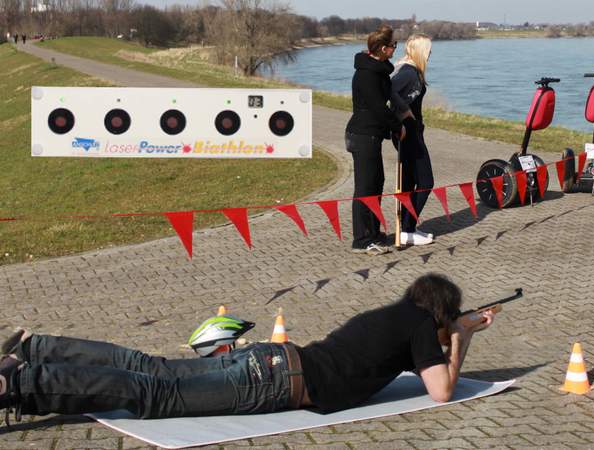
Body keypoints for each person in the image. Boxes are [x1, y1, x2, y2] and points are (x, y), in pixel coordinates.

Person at [0, 273, 494, 421]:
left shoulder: (391, 315)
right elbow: (442, 391)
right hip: (278, 380)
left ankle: (36, 347)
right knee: (151, 394)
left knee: (147, 367)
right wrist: (463, 337)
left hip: (269, 359)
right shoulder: (420, 329)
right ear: (440, 314)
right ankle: (20, 382)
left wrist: (450, 330)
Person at [345, 25, 406, 256]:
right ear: (383, 48)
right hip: (362, 136)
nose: (394, 50)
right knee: (365, 187)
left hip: (371, 135)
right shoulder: (367, 74)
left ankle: (373, 231)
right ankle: (362, 240)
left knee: (377, 181)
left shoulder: (378, 70)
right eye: (393, 46)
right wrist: (397, 126)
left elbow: (387, 100)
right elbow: (379, 108)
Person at [391, 34, 435, 246]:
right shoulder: (408, 72)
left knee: (409, 182)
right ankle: (407, 229)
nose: (431, 54)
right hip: (407, 133)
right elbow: (388, 90)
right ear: (420, 51)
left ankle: (407, 228)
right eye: (429, 50)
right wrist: (406, 112)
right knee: (426, 182)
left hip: (412, 131)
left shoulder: (411, 70)